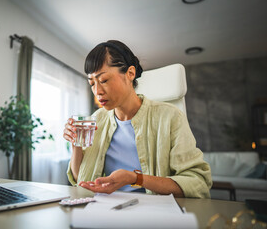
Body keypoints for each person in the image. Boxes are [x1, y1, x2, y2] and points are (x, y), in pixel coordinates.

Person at [63, 40, 212, 198]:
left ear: (130, 73)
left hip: (154, 212)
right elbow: (82, 181)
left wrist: (136, 178)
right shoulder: (97, 119)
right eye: (92, 83)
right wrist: (76, 146)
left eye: (104, 80)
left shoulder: (170, 117)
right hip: (106, 209)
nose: (97, 91)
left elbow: (198, 182)